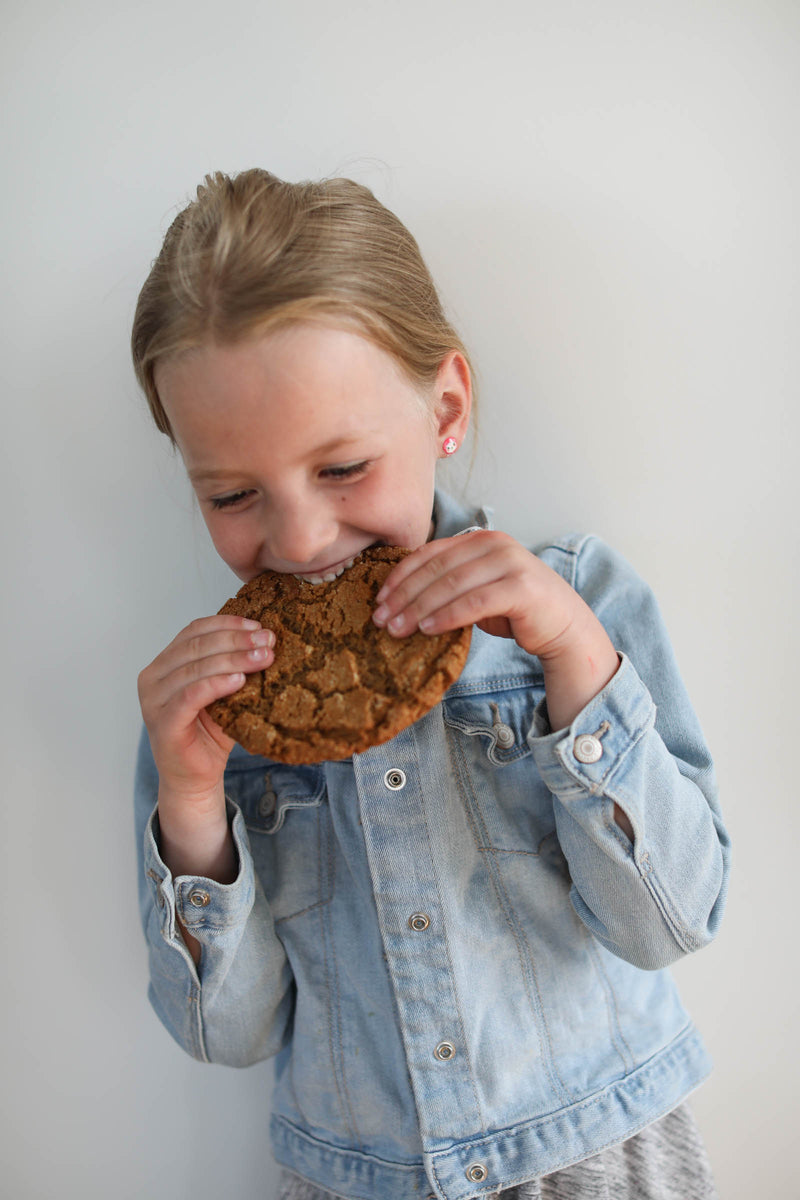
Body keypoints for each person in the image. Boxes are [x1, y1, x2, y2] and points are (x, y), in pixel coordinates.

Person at [132, 169, 730, 1200]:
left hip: (599, 1154)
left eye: (341, 469)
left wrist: (573, 661)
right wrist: (190, 803)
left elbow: (672, 923)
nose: (299, 541)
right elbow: (227, 1035)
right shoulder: (208, 713)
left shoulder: (578, 606)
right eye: (232, 494)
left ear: (444, 407)